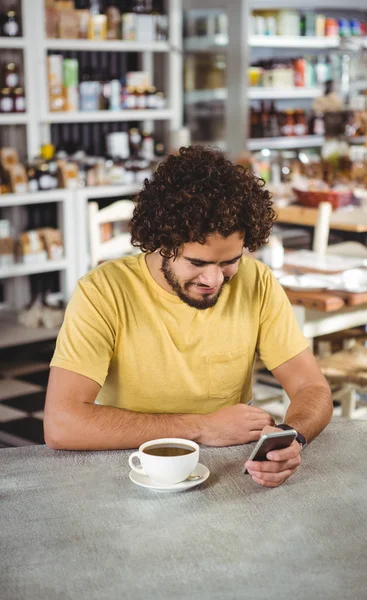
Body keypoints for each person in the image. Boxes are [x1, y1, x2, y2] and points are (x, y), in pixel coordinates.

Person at [44, 146, 332, 488]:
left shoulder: (257, 281)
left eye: (228, 262)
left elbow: (312, 387)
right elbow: (61, 423)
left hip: (231, 471)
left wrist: (290, 437)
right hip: (131, 470)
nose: (213, 281)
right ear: (162, 242)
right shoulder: (103, 292)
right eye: (196, 263)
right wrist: (202, 427)